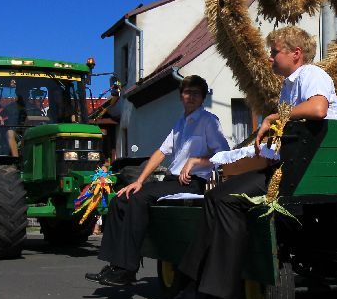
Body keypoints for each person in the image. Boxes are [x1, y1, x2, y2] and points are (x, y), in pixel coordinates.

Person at [157, 25, 337, 299]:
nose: (270, 57)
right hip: (292, 166)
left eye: (275, 51)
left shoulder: (311, 74)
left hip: (311, 171)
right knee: (218, 198)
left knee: (226, 199)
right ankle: (199, 287)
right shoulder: (289, 86)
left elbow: (318, 109)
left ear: (295, 54)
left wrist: (273, 118)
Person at [85, 75, 229, 287]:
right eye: (187, 92)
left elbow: (224, 154)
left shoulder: (208, 121)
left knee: (139, 199)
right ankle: (115, 263)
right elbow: (161, 153)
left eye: (196, 93)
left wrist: (196, 161)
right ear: (181, 96)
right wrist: (139, 181)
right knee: (121, 198)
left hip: (192, 182)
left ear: (203, 97)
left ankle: (128, 268)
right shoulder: (180, 123)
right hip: (172, 181)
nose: (191, 97)